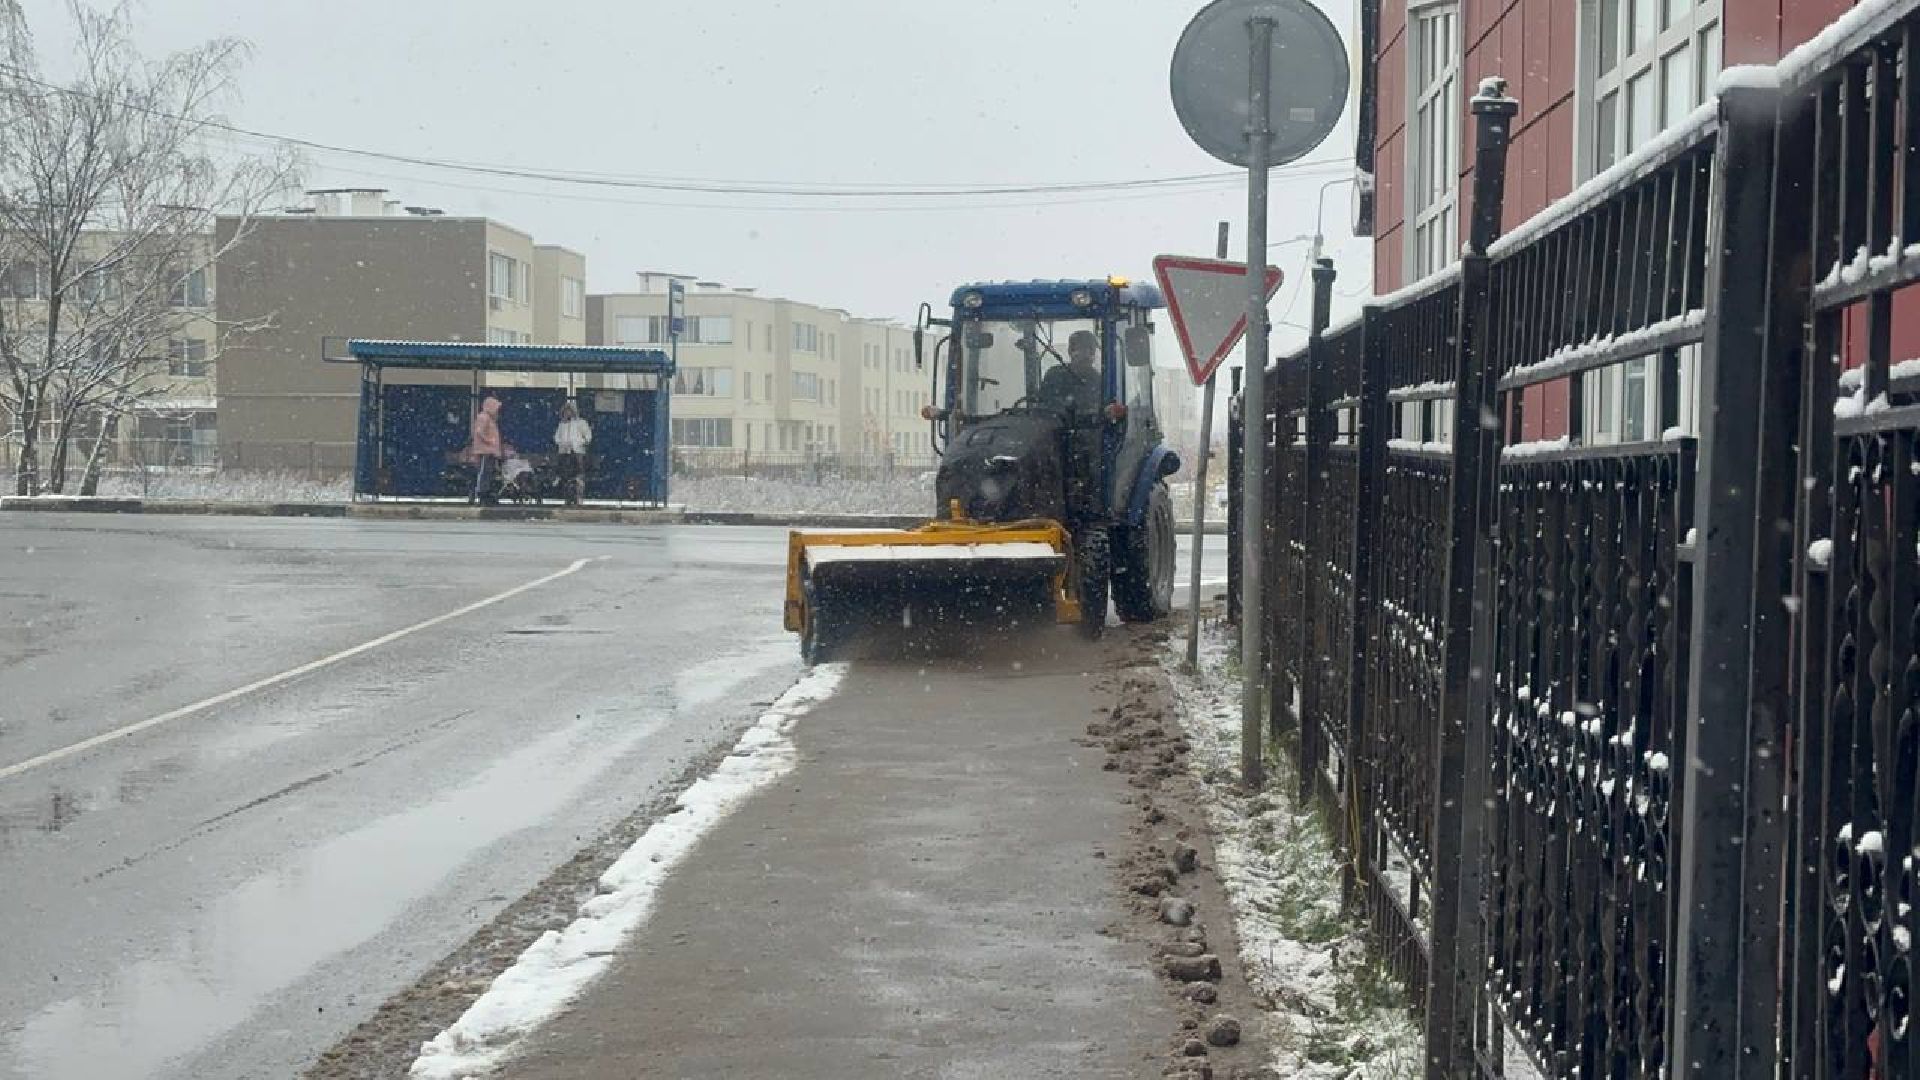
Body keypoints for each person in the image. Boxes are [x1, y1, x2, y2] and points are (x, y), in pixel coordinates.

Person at [1036, 329, 1103, 417]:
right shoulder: (1054, 375)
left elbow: (1101, 412)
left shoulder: (1098, 381)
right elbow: (1041, 409)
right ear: (1070, 351)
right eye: (1082, 348)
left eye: (1092, 350)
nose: (1089, 354)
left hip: (1089, 429)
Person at [553, 401, 592, 505]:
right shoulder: (562, 424)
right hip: (564, 452)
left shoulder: (581, 423)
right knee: (565, 475)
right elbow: (556, 437)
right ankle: (567, 496)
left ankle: (579, 497)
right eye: (566, 411)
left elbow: (588, 437)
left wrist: (578, 443)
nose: (567, 413)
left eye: (569, 411)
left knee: (579, 475)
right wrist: (562, 443)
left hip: (578, 452)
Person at [469, 394, 503, 504]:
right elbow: (479, 432)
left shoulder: (489, 418)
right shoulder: (483, 417)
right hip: (484, 451)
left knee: (487, 473)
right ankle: (482, 493)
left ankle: (485, 492)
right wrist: (489, 440)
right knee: (484, 473)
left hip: (489, 451)